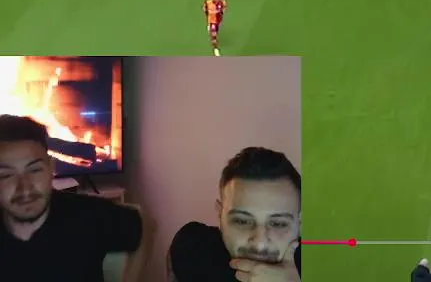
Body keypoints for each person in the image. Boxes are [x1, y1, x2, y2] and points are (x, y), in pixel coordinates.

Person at [0, 114, 152, 282]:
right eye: (6, 175)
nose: (25, 187)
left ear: (51, 168)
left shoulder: (88, 216)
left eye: (35, 170)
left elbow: (144, 226)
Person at [168, 146, 302, 282]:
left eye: (278, 224)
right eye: (242, 221)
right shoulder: (192, 250)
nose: (259, 244)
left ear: (300, 223)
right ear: (220, 214)